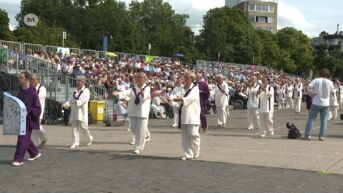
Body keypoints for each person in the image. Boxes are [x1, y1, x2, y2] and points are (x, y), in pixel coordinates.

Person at [12, 71, 42, 166]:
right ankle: (35, 153)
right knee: (25, 138)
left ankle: (18, 159)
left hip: (28, 120)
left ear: (27, 79)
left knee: (22, 138)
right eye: (19, 77)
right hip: (20, 119)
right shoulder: (20, 91)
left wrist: (28, 111)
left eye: (21, 77)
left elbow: (37, 108)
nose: (19, 79)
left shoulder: (32, 93)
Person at [173, 71, 201, 160]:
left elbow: (191, 98)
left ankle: (196, 150)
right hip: (184, 114)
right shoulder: (182, 88)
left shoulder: (195, 88)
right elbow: (175, 96)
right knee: (184, 136)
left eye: (187, 77)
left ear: (192, 79)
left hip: (192, 114)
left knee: (193, 134)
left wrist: (181, 99)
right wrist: (172, 99)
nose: (185, 79)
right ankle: (188, 154)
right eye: (184, 77)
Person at [62, 75, 93, 149]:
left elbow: (84, 100)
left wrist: (76, 102)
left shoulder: (86, 90)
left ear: (83, 82)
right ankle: (75, 142)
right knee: (74, 127)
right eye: (77, 81)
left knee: (84, 127)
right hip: (74, 111)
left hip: (82, 112)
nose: (78, 83)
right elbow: (70, 100)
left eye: (80, 81)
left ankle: (89, 138)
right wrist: (66, 104)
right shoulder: (74, 91)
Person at [303, 68, 334, 141]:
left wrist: (310, 94)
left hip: (316, 102)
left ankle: (308, 135)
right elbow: (332, 92)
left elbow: (307, 87)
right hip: (325, 103)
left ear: (320, 74)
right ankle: (321, 136)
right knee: (324, 120)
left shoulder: (316, 80)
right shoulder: (330, 82)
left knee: (311, 119)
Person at [127, 72, 151, 154]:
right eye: (137, 77)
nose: (138, 79)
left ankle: (138, 147)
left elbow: (146, 96)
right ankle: (143, 137)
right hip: (134, 111)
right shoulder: (133, 88)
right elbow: (127, 93)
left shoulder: (147, 88)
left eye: (140, 77)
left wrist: (143, 94)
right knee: (133, 128)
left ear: (144, 79)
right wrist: (119, 94)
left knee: (141, 130)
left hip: (142, 112)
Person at [30, 74, 48, 147]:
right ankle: (43, 138)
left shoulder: (42, 88)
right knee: (36, 127)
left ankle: (35, 143)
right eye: (31, 80)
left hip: (38, 111)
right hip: (31, 110)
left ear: (38, 80)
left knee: (36, 127)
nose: (32, 82)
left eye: (34, 80)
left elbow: (39, 99)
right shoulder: (31, 88)